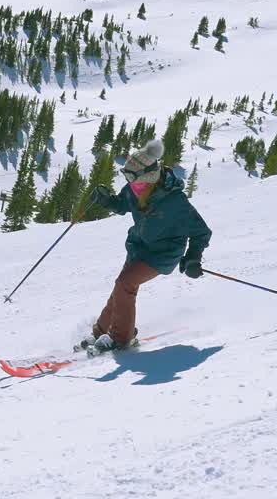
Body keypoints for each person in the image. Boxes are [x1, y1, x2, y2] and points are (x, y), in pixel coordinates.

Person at [78, 139, 212, 354]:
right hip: (138, 246)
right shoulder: (134, 187)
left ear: (150, 177)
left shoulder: (175, 201)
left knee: (125, 284)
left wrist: (193, 257)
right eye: (127, 178)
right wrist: (106, 201)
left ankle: (122, 339)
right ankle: (99, 332)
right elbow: (122, 204)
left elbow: (201, 232)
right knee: (120, 289)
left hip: (163, 253)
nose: (132, 185)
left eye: (135, 180)